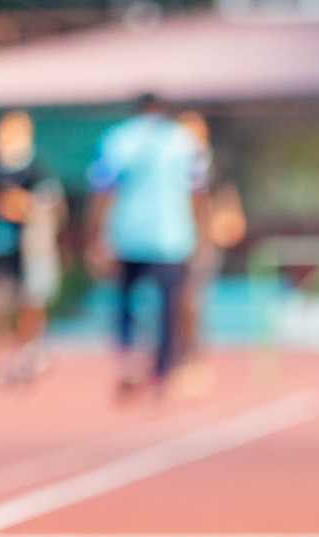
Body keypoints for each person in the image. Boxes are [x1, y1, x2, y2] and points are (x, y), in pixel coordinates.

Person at [86, 93, 208, 398]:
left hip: (127, 235)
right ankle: (161, 373)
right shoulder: (183, 140)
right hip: (171, 238)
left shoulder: (117, 139)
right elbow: (197, 192)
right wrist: (201, 234)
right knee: (169, 308)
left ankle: (127, 359)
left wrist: (95, 235)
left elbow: (103, 192)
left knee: (125, 302)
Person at [0, 110, 60, 389]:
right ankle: (0, 361)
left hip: (30, 247)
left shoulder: (36, 167)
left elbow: (49, 204)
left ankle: (29, 350)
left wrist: (25, 206)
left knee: (31, 300)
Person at [172, 110, 245, 398]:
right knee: (174, 303)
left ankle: (190, 360)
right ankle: (173, 357)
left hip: (201, 246)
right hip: (172, 244)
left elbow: (228, 203)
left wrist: (226, 221)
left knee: (193, 303)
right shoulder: (170, 165)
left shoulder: (214, 167)